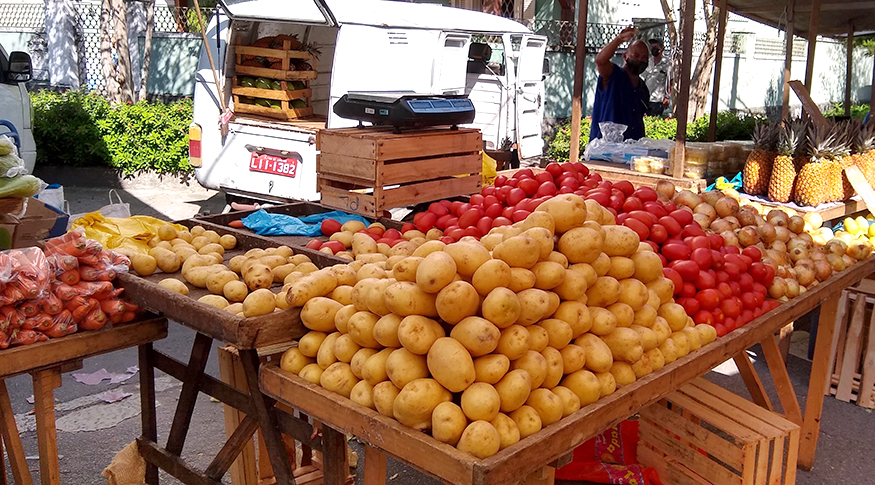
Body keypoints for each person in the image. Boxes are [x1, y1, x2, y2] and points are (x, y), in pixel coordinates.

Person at [590, 27, 650, 142]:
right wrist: (619, 40)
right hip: (605, 150)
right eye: (636, 56)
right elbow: (600, 61)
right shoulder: (613, 75)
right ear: (625, 56)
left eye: (644, 58)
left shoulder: (643, 89)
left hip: (632, 149)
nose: (640, 60)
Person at [643, 39, 671, 116]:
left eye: (656, 47)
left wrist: (667, 97)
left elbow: (670, 81)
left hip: (658, 100)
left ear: (661, 48)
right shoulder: (648, 62)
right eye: (652, 47)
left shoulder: (667, 63)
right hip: (645, 99)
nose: (653, 49)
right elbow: (642, 78)